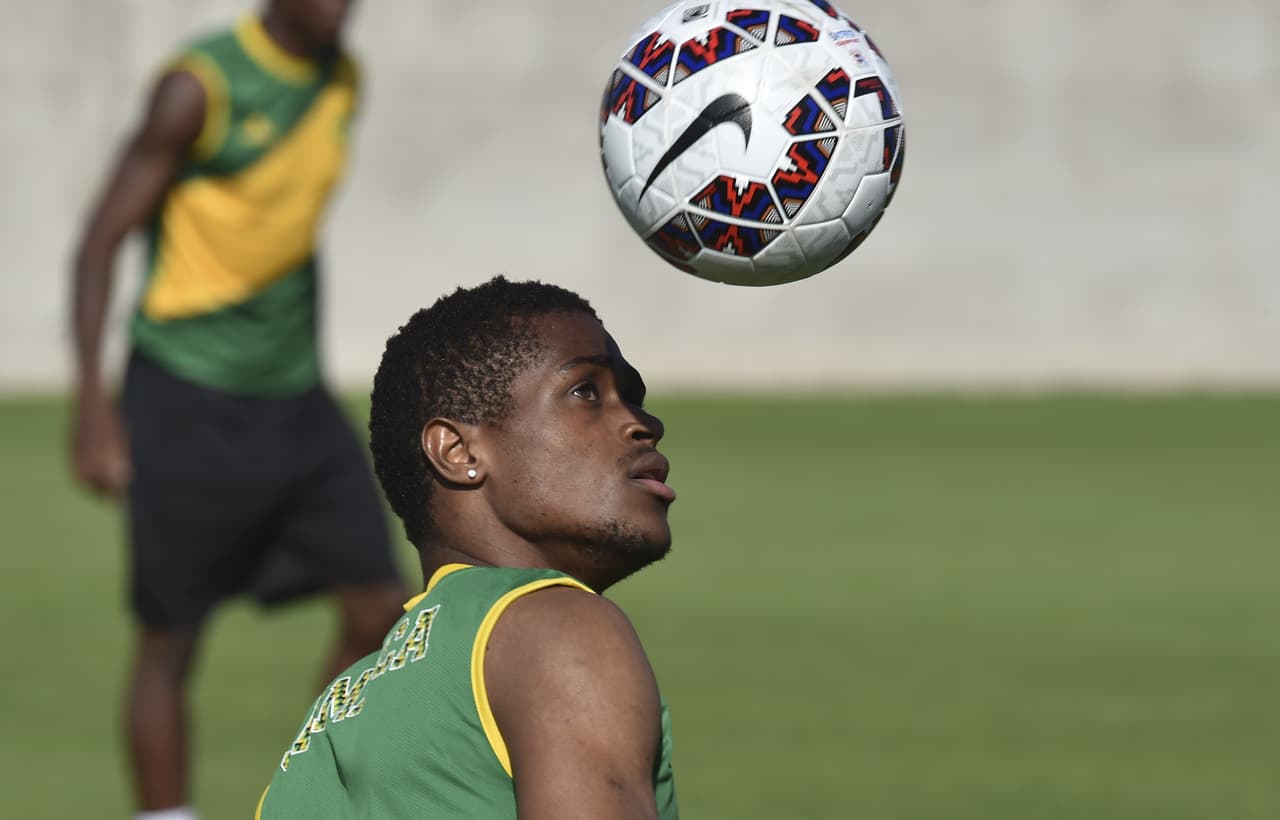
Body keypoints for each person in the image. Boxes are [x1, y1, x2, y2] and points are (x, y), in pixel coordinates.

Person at [68, 2, 407, 818]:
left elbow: (283, 228)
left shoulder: (342, 79)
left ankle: (306, 797)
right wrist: (93, 404)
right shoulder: (198, 88)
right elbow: (101, 239)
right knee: (170, 641)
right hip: (185, 397)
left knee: (385, 612)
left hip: (296, 402)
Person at [256, 276, 681, 819]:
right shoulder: (557, 628)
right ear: (457, 452)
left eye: (634, 397)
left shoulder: (339, 713)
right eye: (585, 392)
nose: (643, 424)